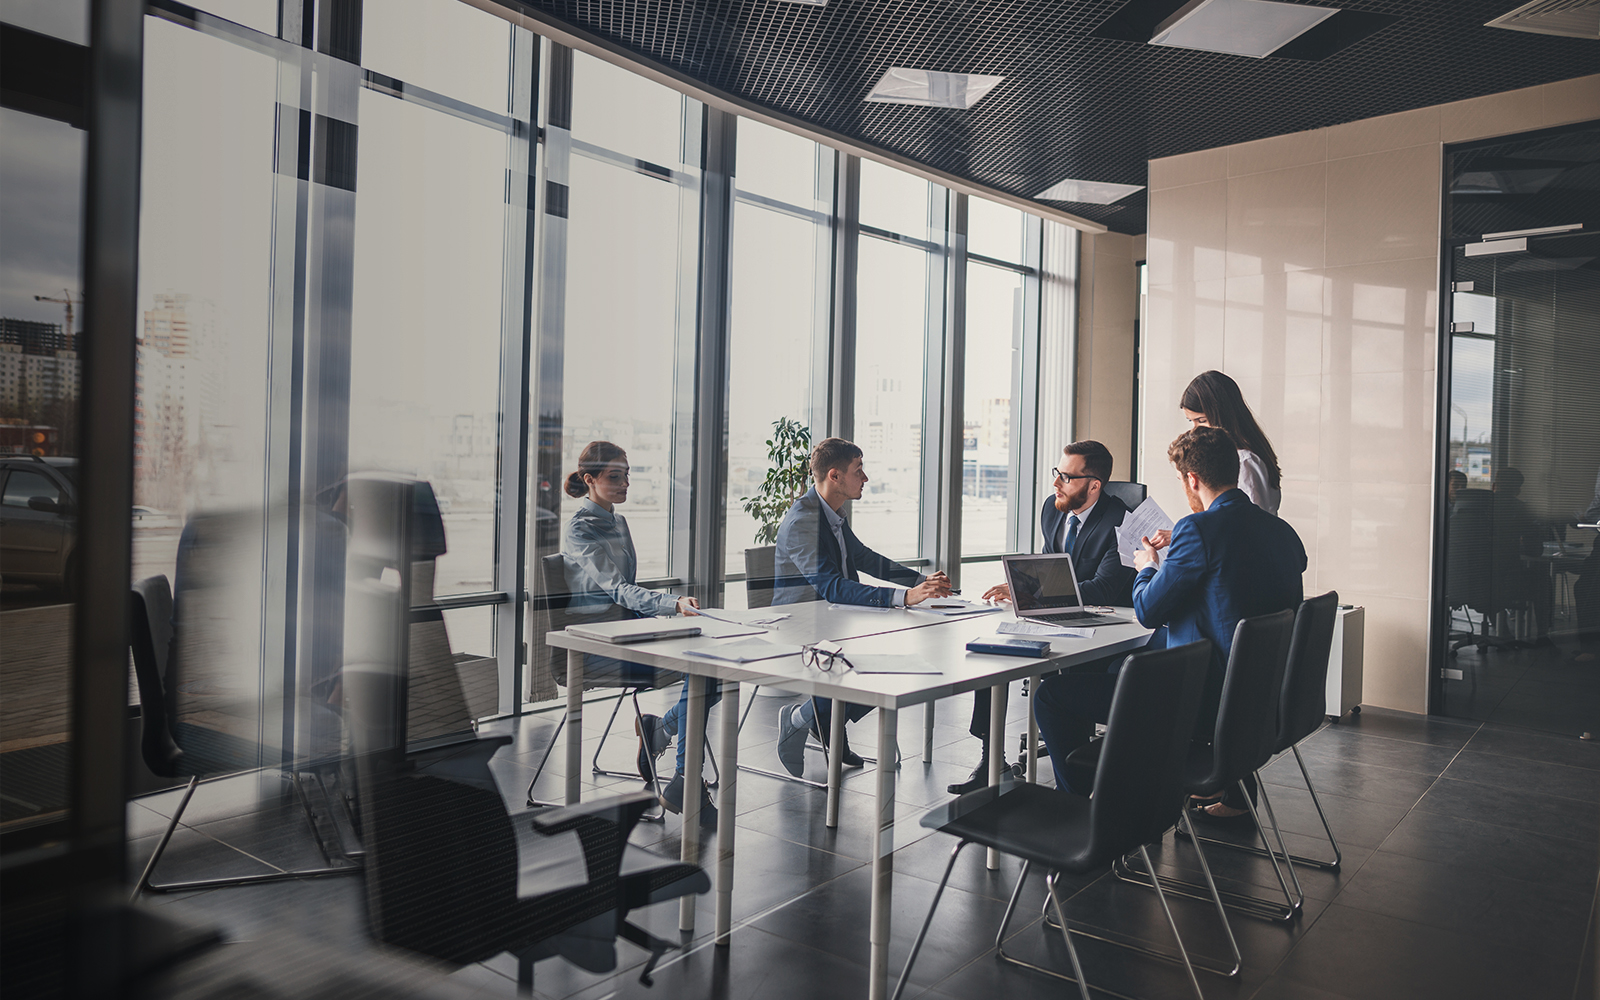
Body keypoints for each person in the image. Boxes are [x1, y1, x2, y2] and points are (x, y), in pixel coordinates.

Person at [1032, 425, 1306, 820]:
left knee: (1052, 696)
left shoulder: (1196, 530)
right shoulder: (1282, 531)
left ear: (1192, 479)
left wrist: (1147, 567)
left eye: (1181, 481)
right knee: (1115, 668)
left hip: (1197, 701)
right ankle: (1125, 793)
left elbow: (1146, 610)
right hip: (1259, 700)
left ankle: (1080, 814)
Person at [942, 440, 1135, 795]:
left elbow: (1103, 588)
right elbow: (1051, 566)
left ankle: (1075, 785)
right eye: (1056, 473)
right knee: (994, 651)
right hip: (1054, 616)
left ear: (1094, 485)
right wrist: (1022, 586)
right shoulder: (1053, 509)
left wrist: (1034, 592)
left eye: (1067, 477)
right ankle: (991, 762)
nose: (1056, 483)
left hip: (1104, 629)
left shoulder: (1122, 522)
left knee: (1063, 686)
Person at [770, 437, 952, 774]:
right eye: (859, 470)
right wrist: (904, 598)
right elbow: (831, 587)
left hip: (834, 622)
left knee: (895, 663)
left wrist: (920, 582)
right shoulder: (803, 521)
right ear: (835, 476)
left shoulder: (832, 514)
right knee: (880, 665)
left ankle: (821, 720)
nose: (865, 478)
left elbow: (863, 557)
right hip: (802, 628)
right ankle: (805, 718)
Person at [561, 440, 717, 828]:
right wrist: (671, 603)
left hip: (628, 633)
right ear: (589, 480)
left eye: (627, 474)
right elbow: (617, 588)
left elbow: (626, 592)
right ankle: (683, 777)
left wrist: (665, 615)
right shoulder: (580, 529)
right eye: (615, 476)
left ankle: (663, 735)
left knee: (713, 665)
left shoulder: (618, 521)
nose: (626, 483)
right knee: (703, 671)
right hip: (596, 645)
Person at [1179, 370, 1283, 516]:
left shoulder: (1245, 461)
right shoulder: (1236, 457)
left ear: (1222, 416)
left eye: (1202, 421)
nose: (1195, 431)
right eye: (1191, 421)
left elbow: (1249, 526)